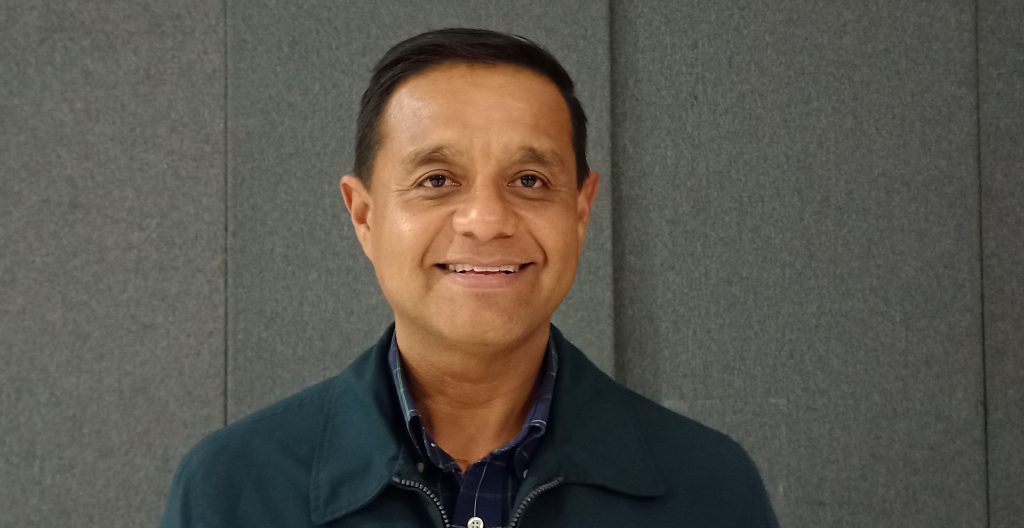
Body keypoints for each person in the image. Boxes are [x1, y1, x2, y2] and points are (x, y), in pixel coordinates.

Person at [160, 28, 779, 528]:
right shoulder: (234, 489)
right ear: (364, 216)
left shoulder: (708, 488)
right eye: (436, 180)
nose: (486, 220)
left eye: (530, 181)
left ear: (580, 212)